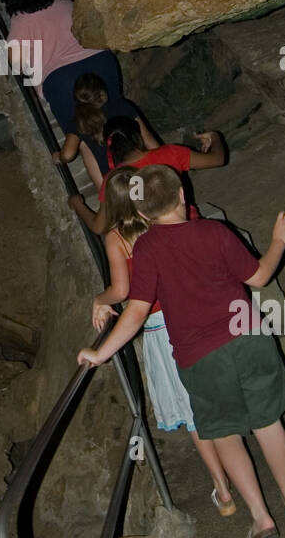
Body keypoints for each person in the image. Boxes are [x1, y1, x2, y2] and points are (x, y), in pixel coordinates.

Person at [79, 164, 285, 538]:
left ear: (141, 215)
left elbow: (135, 311)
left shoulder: (147, 247)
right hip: (248, 339)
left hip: (199, 357)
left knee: (223, 434)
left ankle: (261, 518)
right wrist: (278, 240)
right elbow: (259, 277)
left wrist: (100, 352)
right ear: (183, 196)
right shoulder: (215, 231)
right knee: (268, 423)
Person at [96, 167, 235, 513]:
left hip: (159, 325)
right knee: (209, 395)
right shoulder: (166, 219)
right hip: (190, 313)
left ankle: (223, 487)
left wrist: (100, 299)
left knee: (191, 413)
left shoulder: (117, 238)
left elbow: (122, 290)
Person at [5, 0, 123, 148]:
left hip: (63, 80)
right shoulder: (65, 3)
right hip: (100, 62)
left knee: (81, 140)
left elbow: (14, 60)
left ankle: (106, 171)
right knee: (120, 121)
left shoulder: (20, 20)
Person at [70, 117, 226, 234]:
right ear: (138, 137)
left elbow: (99, 227)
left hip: (151, 241)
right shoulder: (170, 153)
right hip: (188, 224)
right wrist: (215, 137)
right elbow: (218, 159)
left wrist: (78, 205)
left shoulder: (114, 179)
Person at [51, 73, 149, 181]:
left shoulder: (77, 123)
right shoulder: (122, 106)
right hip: (141, 169)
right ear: (103, 94)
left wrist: (58, 157)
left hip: (116, 182)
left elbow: (67, 155)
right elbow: (149, 141)